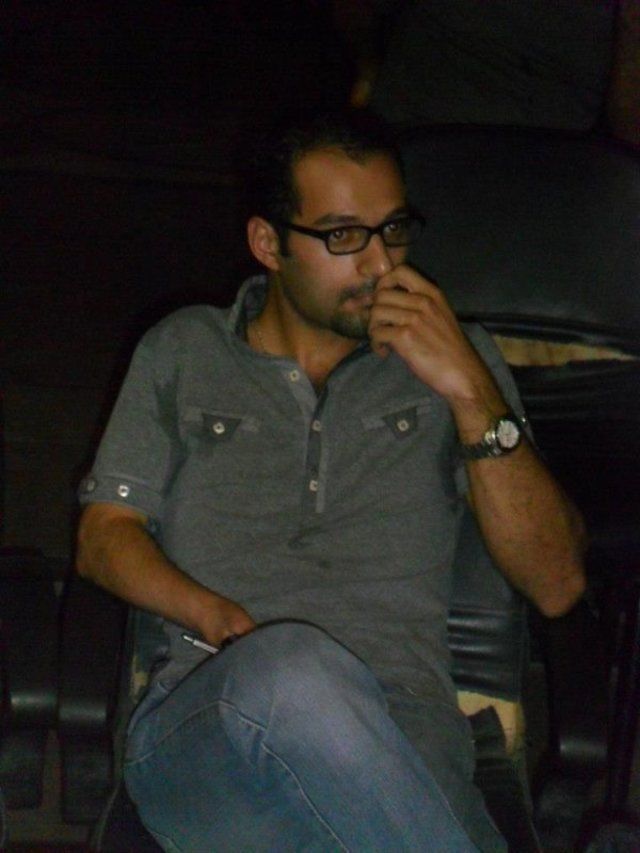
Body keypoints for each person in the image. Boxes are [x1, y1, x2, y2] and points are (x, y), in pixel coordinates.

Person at [76, 110, 586, 851]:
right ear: (268, 244)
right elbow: (101, 539)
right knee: (293, 668)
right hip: (210, 732)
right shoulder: (184, 351)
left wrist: (470, 389)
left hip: (405, 745)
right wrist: (212, 615)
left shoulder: (455, 360)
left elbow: (558, 584)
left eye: (394, 230)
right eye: (344, 236)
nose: (381, 264)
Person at [333, 0, 640, 148]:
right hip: (414, 133)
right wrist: (366, 74)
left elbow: (629, 128)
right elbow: (356, 15)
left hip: (554, 164)